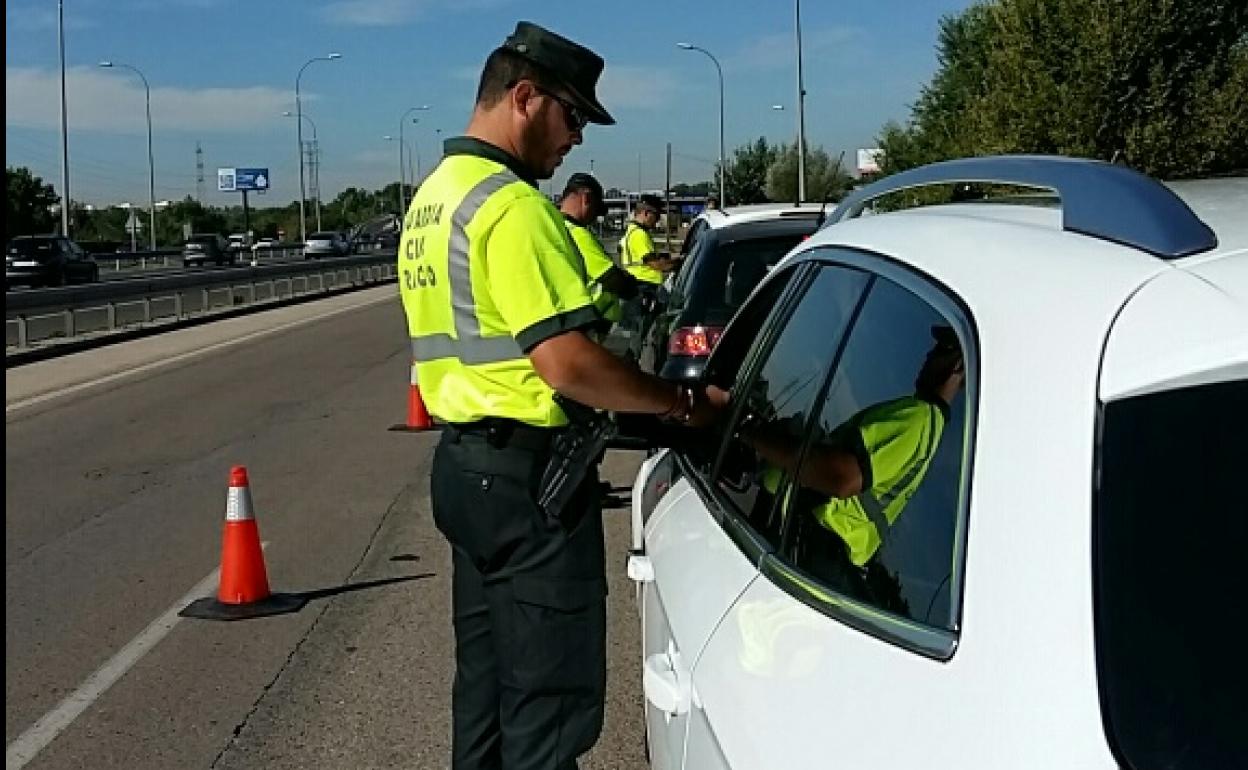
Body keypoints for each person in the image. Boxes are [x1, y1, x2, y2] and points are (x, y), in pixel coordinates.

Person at [397, 21, 722, 770]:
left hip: (465, 472)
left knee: (484, 698)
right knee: (547, 714)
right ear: (524, 97)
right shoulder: (511, 207)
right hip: (529, 482)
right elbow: (568, 362)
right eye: (572, 116)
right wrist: (676, 405)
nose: (575, 139)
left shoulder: (435, 199)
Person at [745, 326, 965, 587]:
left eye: (941, 350)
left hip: (807, 542)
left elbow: (840, 477)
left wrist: (751, 434)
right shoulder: (930, 428)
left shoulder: (917, 419)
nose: (928, 355)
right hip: (816, 553)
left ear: (957, 366)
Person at [558, 172, 638, 340]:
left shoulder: (555, 227)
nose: (595, 217)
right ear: (586, 199)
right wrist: (635, 289)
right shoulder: (577, 234)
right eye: (595, 209)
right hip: (592, 322)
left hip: (569, 322)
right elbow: (609, 277)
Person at [618, 194, 678, 355]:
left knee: (637, 339)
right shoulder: (639, 235)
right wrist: (678, 263)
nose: (657, 221)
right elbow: (656, 265)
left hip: (636, 289)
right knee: (639, 340)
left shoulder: (632, 232)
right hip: (644, 290)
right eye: (656, 216)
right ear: (645, 213)